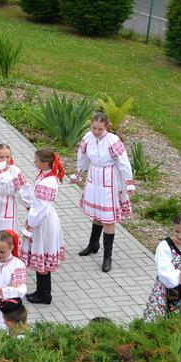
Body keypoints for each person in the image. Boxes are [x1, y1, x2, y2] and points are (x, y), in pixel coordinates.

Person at [72, 112, 135, 273]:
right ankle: (93, 244)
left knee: (108, 219)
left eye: (100, 129)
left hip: (110, 179)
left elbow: (123, 161)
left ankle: (108, 257)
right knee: (96, 213)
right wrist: (78, 173)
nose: (96, 132)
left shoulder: (113, 141)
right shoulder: (87, 138)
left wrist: (128, 183)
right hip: (94, 176)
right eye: (94, 128)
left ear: (107, 126)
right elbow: (83, 157)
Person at [20, 149, 67, 305]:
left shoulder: (48, 181)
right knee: (42, 253)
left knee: (42, 252)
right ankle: (42, 291)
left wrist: (31, 225)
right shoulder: (46, 175)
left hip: (43, 221)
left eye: (36, 160)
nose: (34, 162)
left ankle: (45, 294)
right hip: (43, 218)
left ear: (45, 163)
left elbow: (42, 207)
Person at [142, 212, 181, 321]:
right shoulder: (165, 246)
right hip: (165, 293)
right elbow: (167, 278)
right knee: (161, 322)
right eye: (177, 231)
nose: (180, 236)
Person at [0, 144, 27, 234]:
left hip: (9, 205)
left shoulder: (15, 170)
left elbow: (23, 190)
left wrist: (28, 205)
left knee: (7, 231)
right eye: (1, 157)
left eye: (8, 157)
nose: (5, 160)